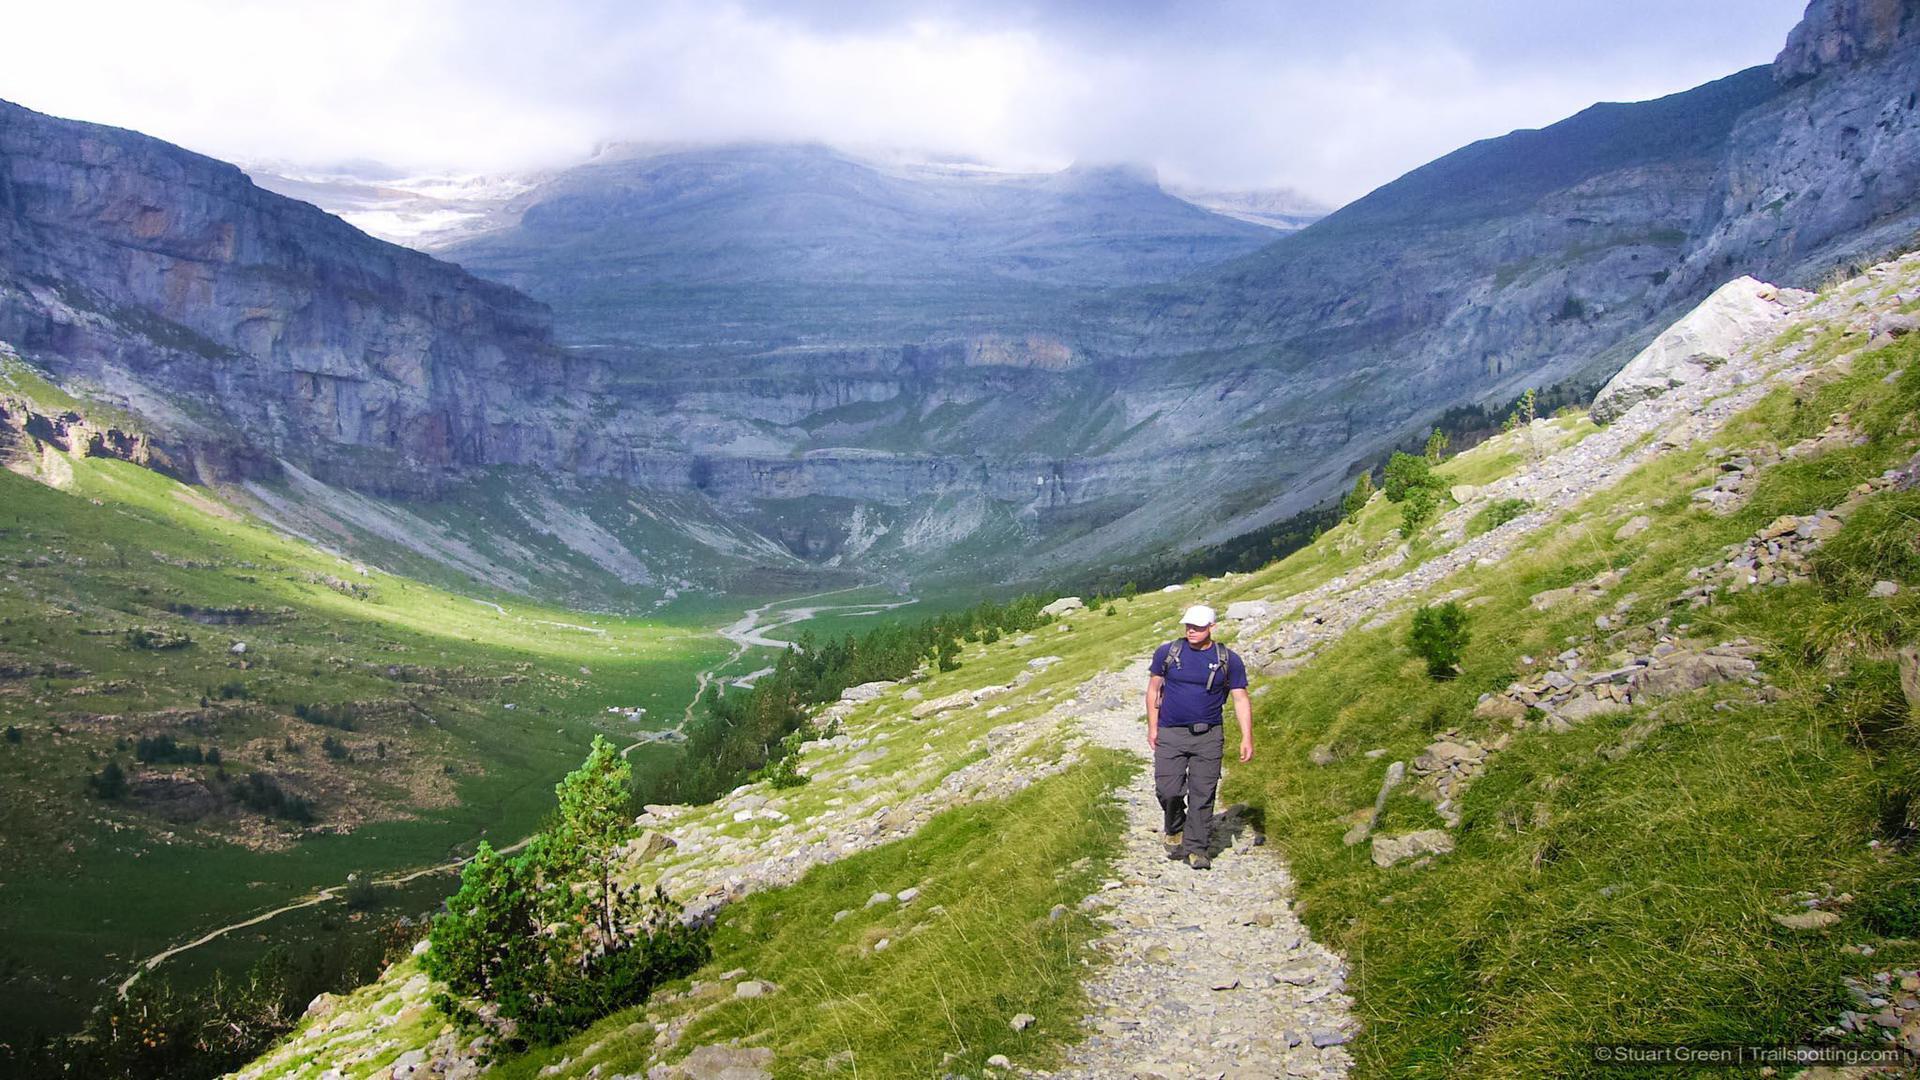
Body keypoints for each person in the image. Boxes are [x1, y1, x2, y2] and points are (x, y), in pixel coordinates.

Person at [1144, 604, 1252, 870]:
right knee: (1168, 790)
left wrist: (1246, 737)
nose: (1191, 631)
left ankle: (1197, 849)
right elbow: (1153, 690)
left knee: (1203, 793)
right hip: (1171, 732)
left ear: (1212, 627)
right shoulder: (1168, 653)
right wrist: (1153, 727)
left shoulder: (1228, 659)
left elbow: (1240, 698)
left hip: (1209, 736)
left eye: (1198, 627)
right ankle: (1175, 826)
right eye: (1188, 626)